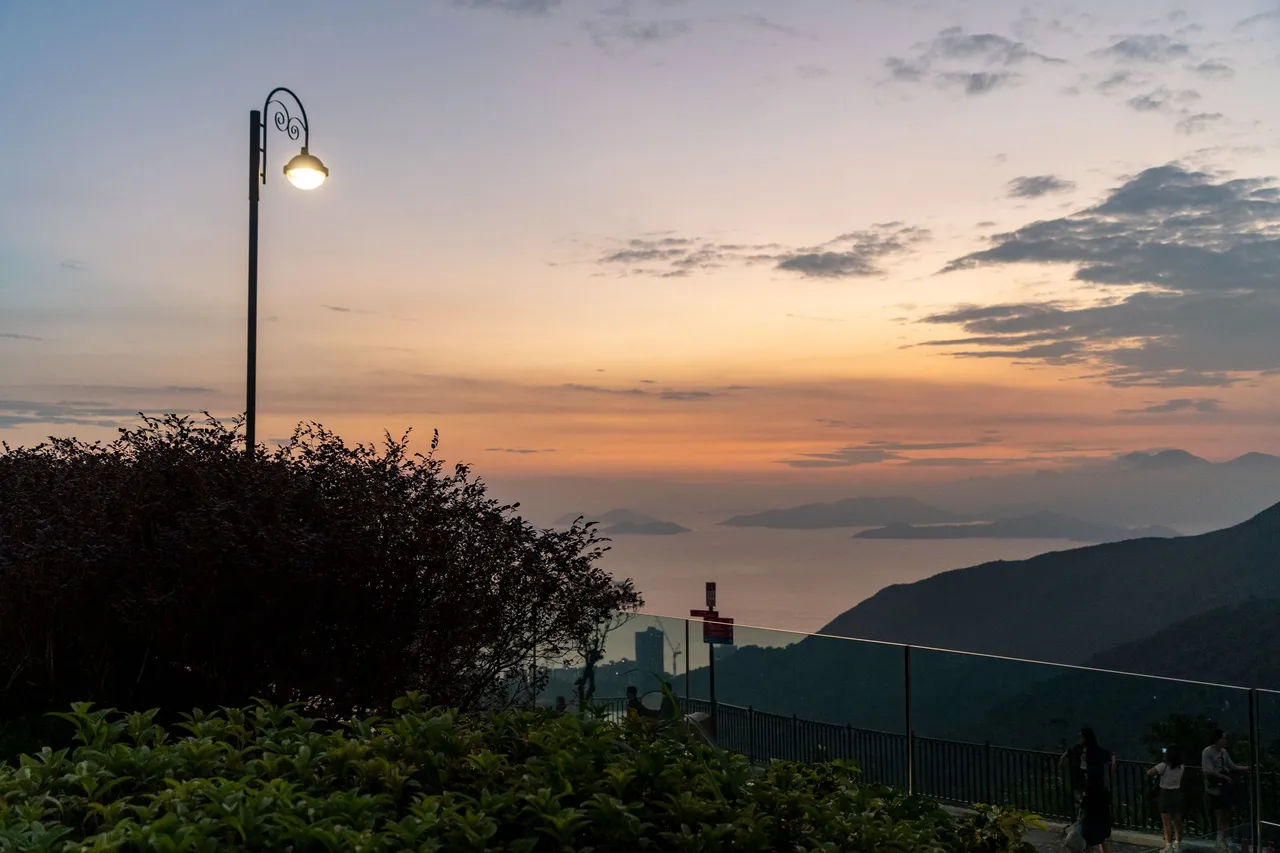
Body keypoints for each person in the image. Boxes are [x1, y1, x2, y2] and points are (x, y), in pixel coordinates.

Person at [1203, 729, 1250, 848]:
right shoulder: (1207, 752)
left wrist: (1245, 768)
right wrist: (1223, 776)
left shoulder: (1223, 752)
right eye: (1223, 738)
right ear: (1217, 739)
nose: (1225, 740)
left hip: (1225, 787)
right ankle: (1220, 839)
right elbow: (1208, 770)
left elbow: (1231, 766)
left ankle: (1226, 837)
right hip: (1214, 788)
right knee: (1219, 815)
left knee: (1226, 814)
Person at [1061, 728, 1118, 804]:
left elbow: (1110, 754)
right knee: (1081, 792)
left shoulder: (1095, 749)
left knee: (1089, 795)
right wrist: (1063, 758)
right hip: (1082, 773)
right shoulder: (1079, 747)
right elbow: (1070, 750)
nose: (1080, 738)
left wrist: (1113, 763)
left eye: (1082, 737)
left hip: (1092, 776)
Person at [1147, 745, 1185, 851]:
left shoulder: (1163, 766)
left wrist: (1163, 759)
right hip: (1177, 793)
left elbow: (1149, 772)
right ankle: (1178, 843)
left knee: (1166, 821)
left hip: (1166, 794)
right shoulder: (1181, 767)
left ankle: (1168, 846)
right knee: (1177, 820)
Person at [1080, 779, 1113, 853]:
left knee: (1088, 844)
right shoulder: (1104, 791)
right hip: (1102, 823)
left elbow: (1082, 807)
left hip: (1089, 824)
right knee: (1102, 841)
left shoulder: (1088, 792)